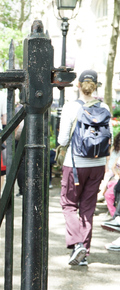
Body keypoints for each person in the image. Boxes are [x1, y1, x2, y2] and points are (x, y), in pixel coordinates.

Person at [58, 69, 113, 266]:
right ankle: (83, 254)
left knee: (69, 204)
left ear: (78, 85)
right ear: (96, 85)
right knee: (87, 207)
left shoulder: (70, 107)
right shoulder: (105, 106)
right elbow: (110, 139)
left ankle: (77, 244)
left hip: (75, 164)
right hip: (97, 165)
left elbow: (62, 139)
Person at [97, 132, 120, 202]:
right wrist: (106, 166)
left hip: (116, 169)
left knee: (107, 178)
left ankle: (101, 194)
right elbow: (108, 158)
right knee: (106, 176)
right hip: (111, 168)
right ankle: (101, 194)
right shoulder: (113, 148)